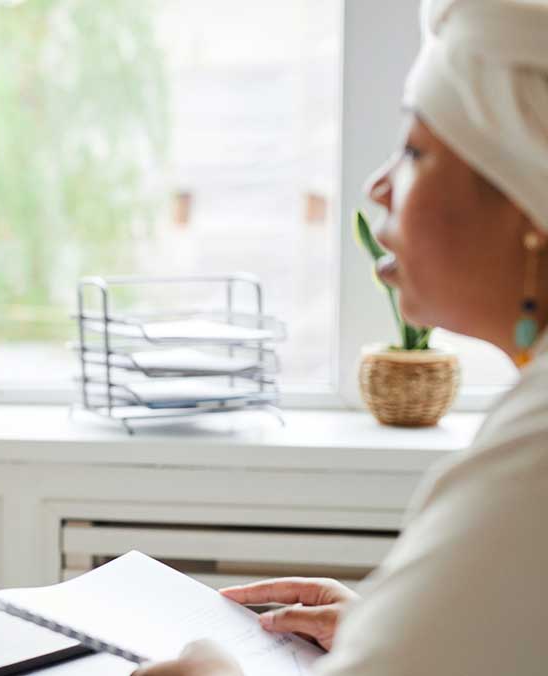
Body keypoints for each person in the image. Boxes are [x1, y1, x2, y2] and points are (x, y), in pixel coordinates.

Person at [135, 0, 548, 674]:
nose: (377, 185)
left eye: (415, 151)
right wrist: (398, 629)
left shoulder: (536, 456)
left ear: (527, 196)